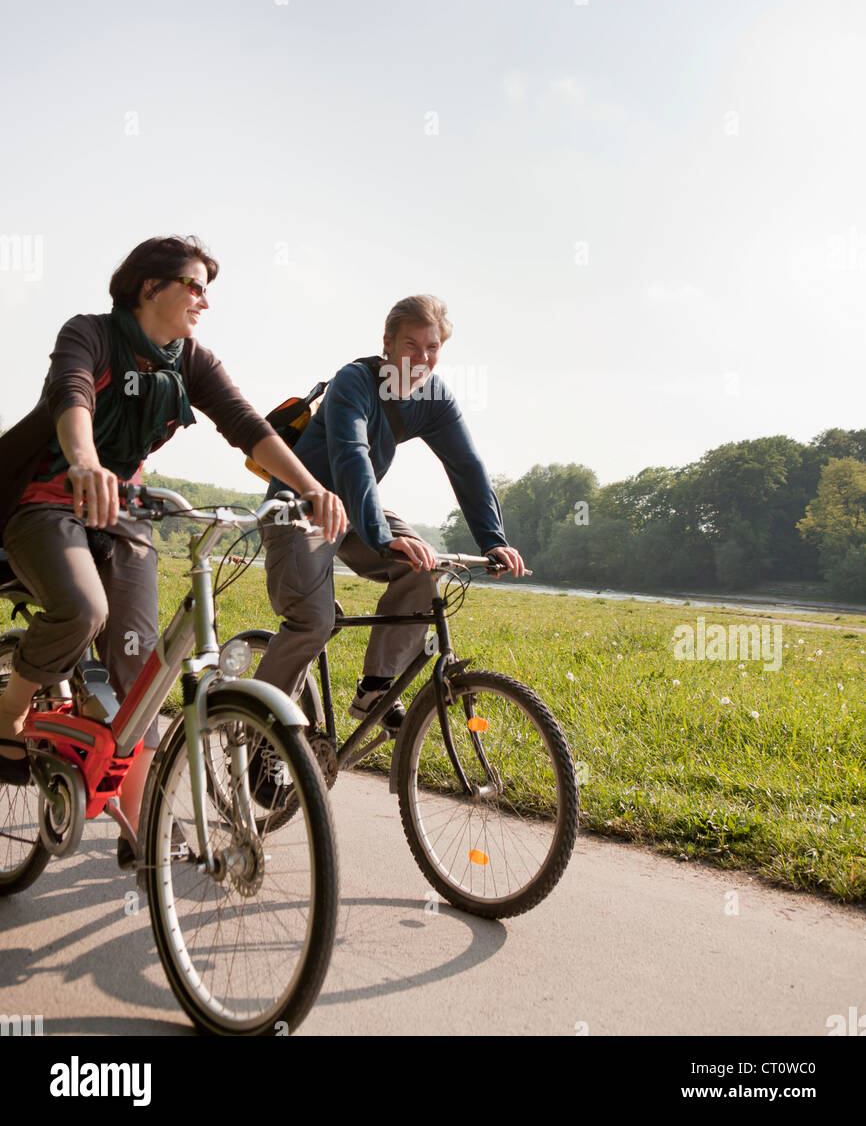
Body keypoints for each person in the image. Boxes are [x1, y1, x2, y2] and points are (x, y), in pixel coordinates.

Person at [0, 235, 346, 864]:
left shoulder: (190, 360)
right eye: (194, 285)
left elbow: (247, 425)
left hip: (125, 513)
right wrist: (85, 463)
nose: (203, 301)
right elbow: (71, 396)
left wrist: (312, 487)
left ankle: (144, 825)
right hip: (45, 503)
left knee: (142, 676)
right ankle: (10, 714)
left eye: (206, 290)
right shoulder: (92, 334)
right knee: (82, 610)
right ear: (148, 287)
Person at [256, 294, 525, 731]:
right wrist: (381, 537)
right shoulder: (354, 382)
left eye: (432, 348)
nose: (421, 358)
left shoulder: (433, 398)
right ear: (388, 342)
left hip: (354, 511)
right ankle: (261, 737)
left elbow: (467, 466)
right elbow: (351, 457)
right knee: (312, 622)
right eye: (411, 345)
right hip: (297, 509)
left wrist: (493, 538)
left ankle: (374, 691)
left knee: (425, 564)